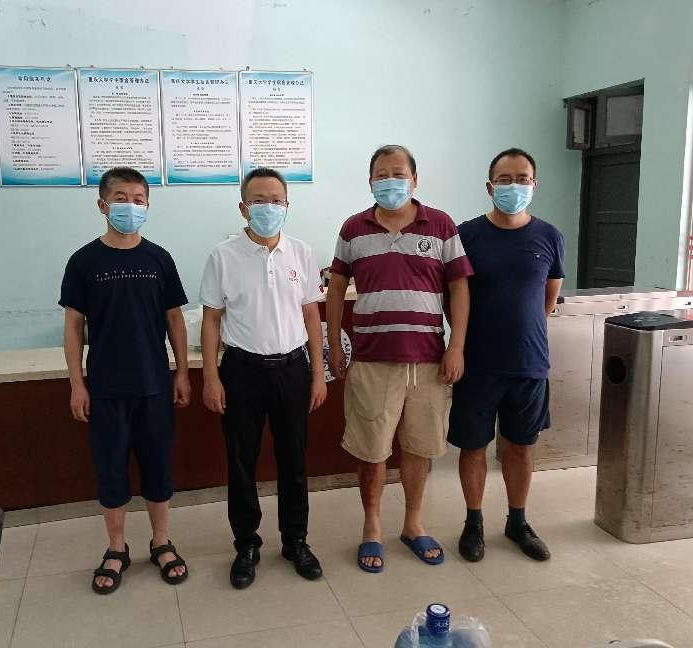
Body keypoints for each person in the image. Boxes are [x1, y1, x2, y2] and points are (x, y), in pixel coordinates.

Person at [327, 145, 472, 572]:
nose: (390, 181)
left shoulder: (441, 225)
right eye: (381, 174)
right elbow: (336, 287)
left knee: (418, 448)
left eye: (398, 173)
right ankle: (372, 527)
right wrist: (333, 343)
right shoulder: (354, 228)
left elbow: (459, 288)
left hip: (427, 361)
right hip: (372, 361)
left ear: (415, 179)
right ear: (370, 181)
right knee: (371, 452)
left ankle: (412, 524)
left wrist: (456, 346)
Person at [59, 166, 191, 594]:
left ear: (147, 205)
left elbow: (175, 320)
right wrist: (77, 384)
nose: (130, 206)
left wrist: (182, 372)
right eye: (121, 199)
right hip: (105, 389)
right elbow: (74, 327)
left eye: (138, 199)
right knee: (111, 471)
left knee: (158, 467)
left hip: (154, 386)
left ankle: (161, 541)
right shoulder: (84, 261)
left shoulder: (159, 259)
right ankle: (116, 548)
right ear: (102, 205)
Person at [200, 167, 327, 589]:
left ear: (287, 206)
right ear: (243, 207)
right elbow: (211, 320)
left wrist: (318, 375)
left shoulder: (302, 253)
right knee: (241, 462)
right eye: (258, 200)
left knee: (294, 461)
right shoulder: (223, 256)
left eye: (276, 200)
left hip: (292, 369)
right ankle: (246, 545)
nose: (268, 208)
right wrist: (211, 377)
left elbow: (312, 316)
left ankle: (295, 541)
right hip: (242, 372)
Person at [448, 148, 564, 563]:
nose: (514, 186)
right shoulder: (467, 235)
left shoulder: (549, 236)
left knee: (520, 447)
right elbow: (453, 297)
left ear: (534, 184)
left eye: (522, 179)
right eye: (505, 179)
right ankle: (473, 522)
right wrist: (459, 345)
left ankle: (518, 521)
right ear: (489, 186)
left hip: (528, 364)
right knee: (473, 447)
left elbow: (547, 299)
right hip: (477, 363)